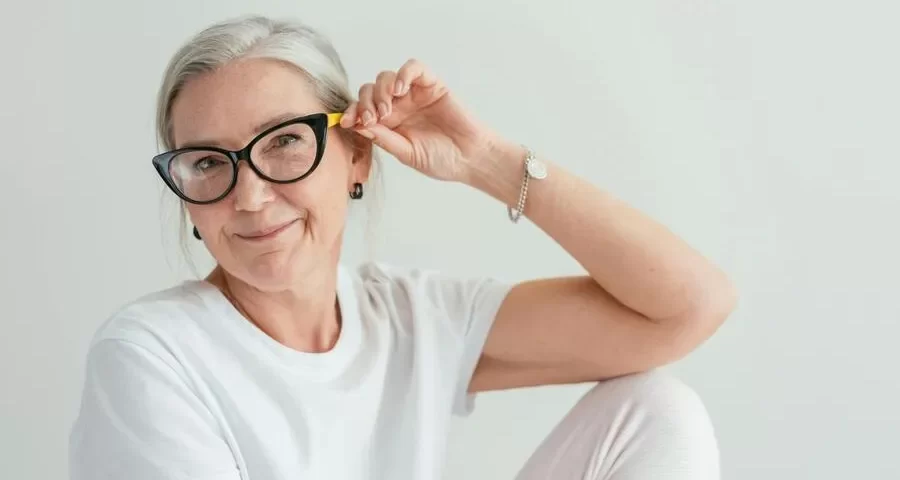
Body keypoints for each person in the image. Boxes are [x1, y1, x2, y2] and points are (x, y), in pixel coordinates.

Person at [68, 14, 737, 480]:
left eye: (284, 142)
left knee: (658, 412)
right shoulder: (151, 357)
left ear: (356, 155)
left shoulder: (410, 319)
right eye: (209, 163)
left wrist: (488, 161)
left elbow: (685, 309)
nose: (248, 196)